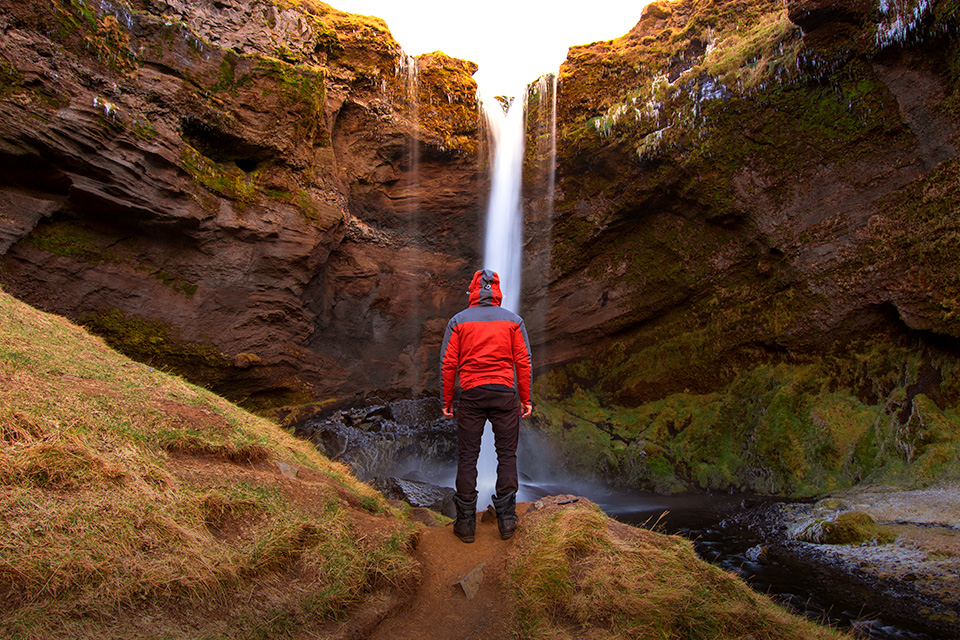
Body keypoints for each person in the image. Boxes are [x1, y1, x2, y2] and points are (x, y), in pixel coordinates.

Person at [439, 269, 532, 543]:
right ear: (498, 291)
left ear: (473, 291)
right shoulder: (513, 321)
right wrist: (525, 398)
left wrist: (446, 400)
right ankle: (507, 521)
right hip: (504, 394)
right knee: (507, 455)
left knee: (468, 456)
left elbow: (448, 363)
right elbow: (523, 361)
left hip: (472, 394)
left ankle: (466, 524)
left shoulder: (458, 321)